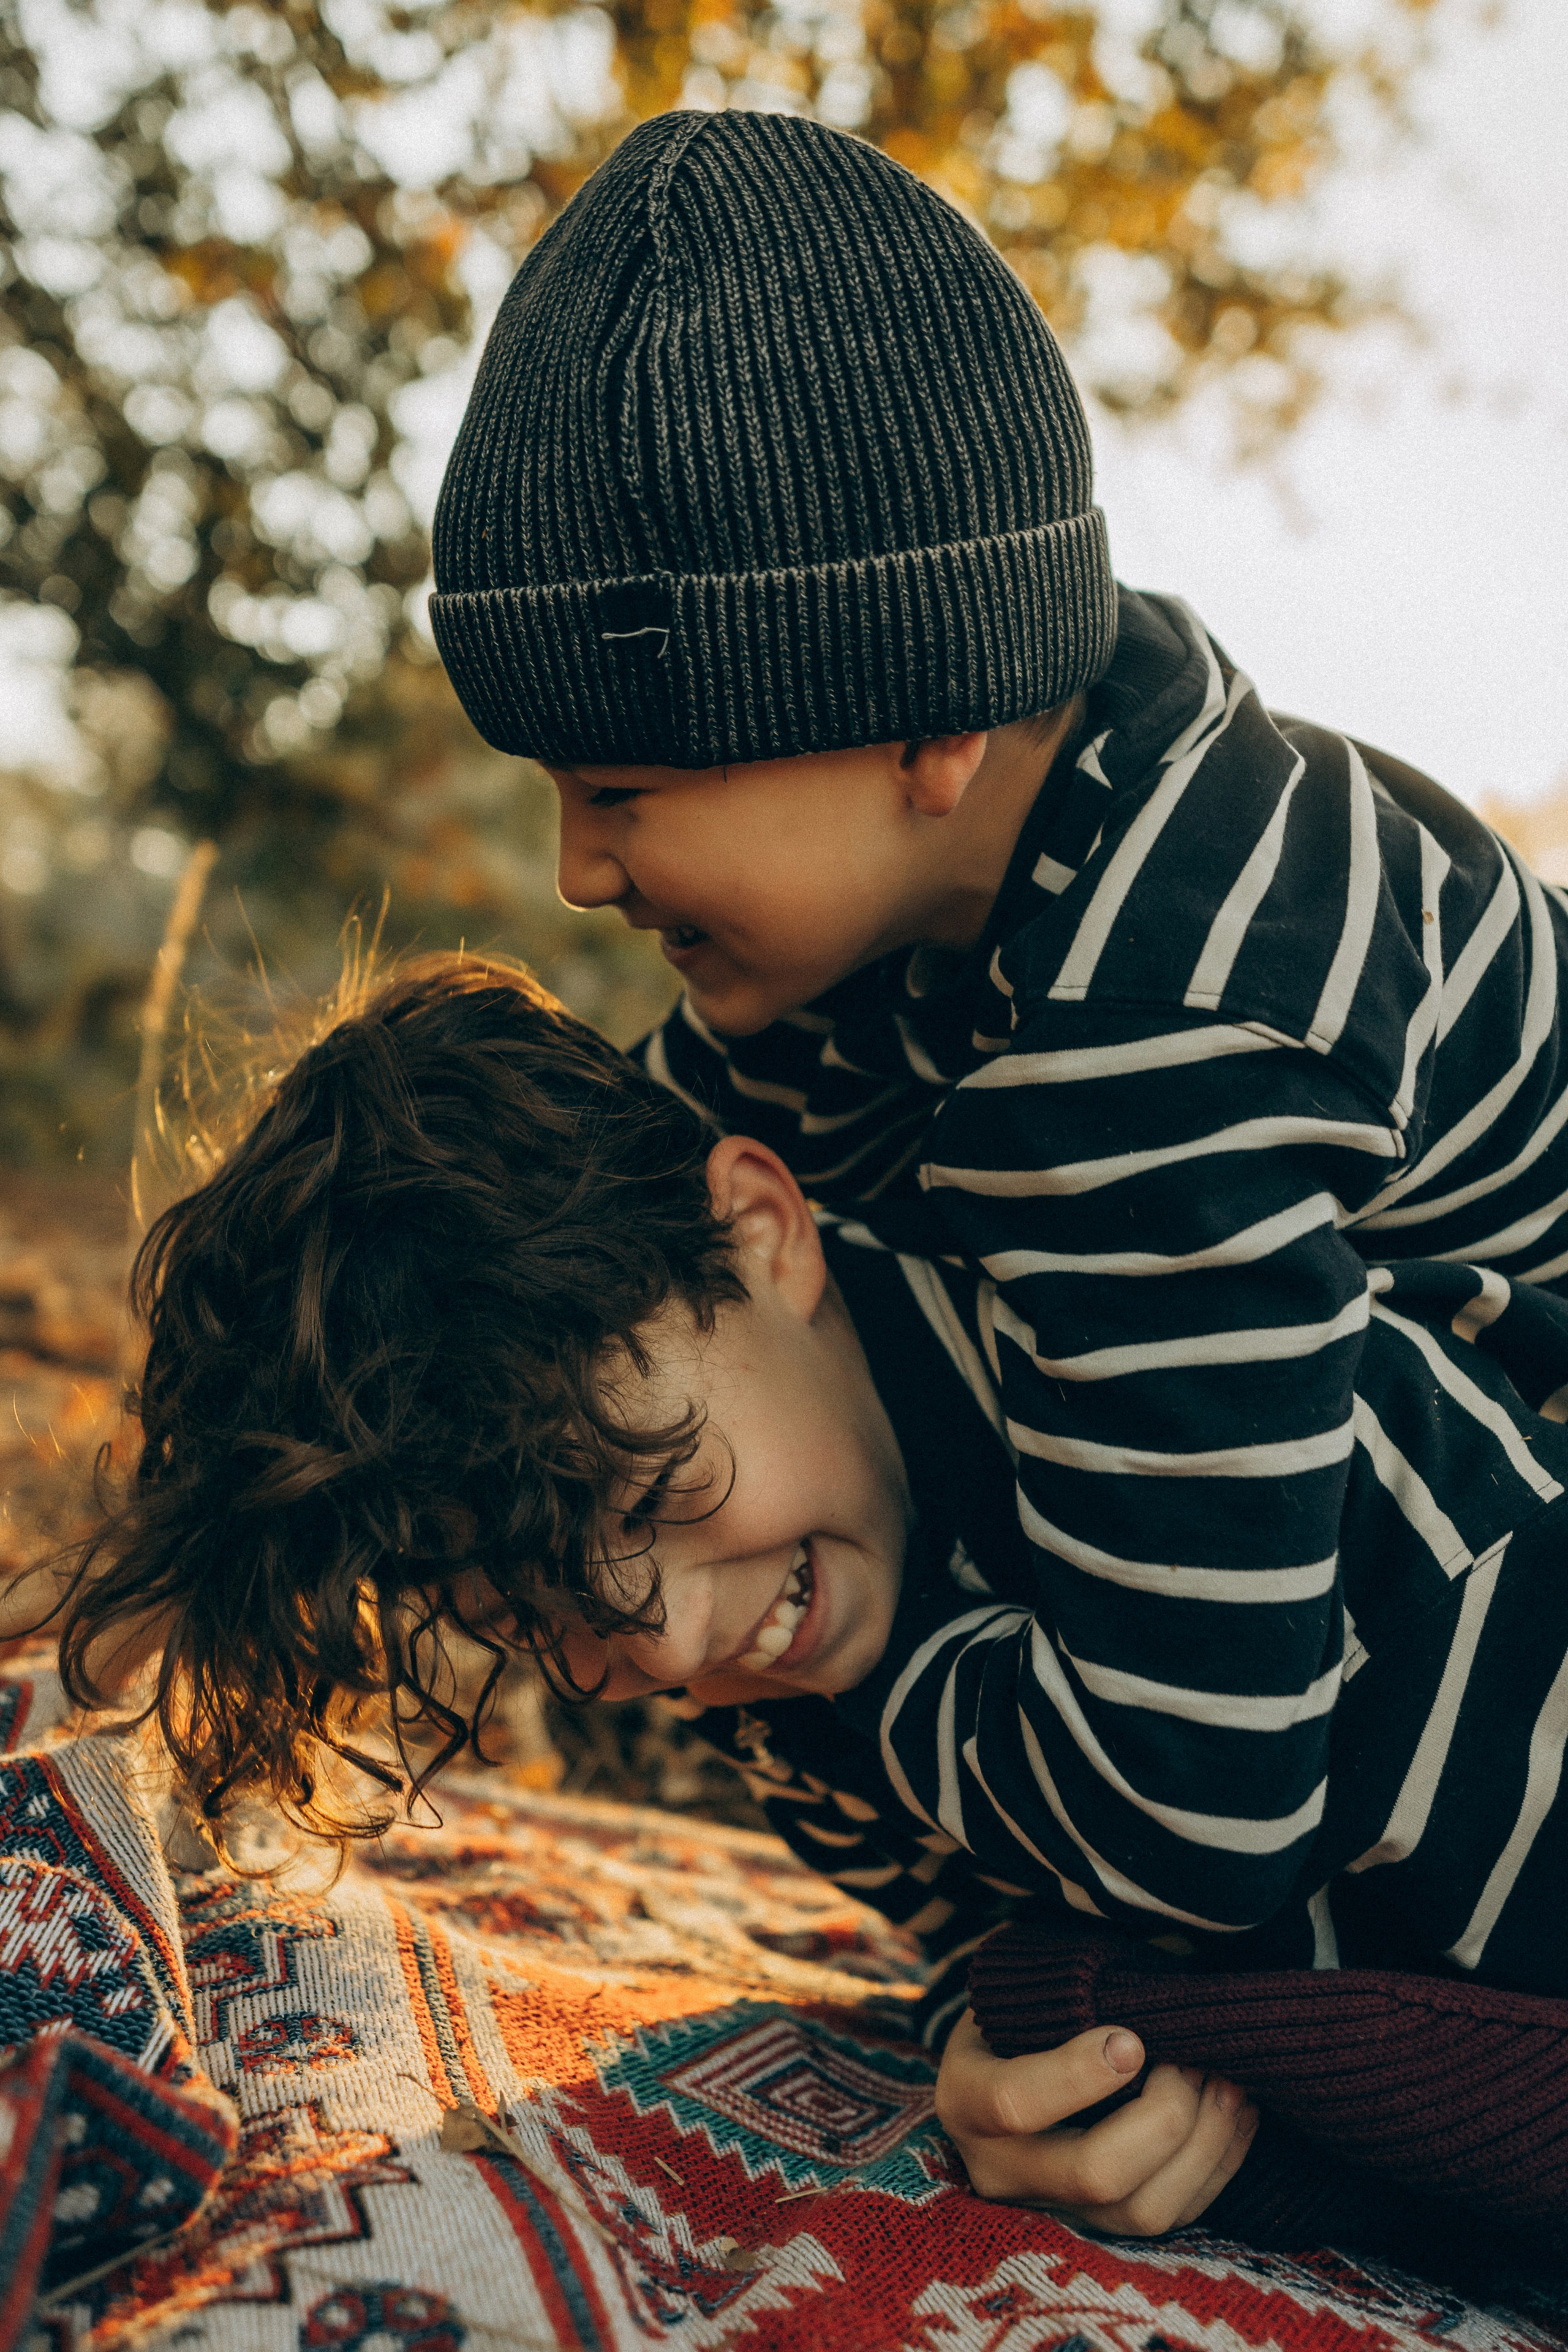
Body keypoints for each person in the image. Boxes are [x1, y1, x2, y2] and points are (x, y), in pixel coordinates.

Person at [426, 98, 1568, 2136]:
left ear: (926, 721)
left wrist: (868, 1708)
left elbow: (1191, 1803)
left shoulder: (1161, 1014)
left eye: (626, 789)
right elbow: (623, 1283)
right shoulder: (883, 954)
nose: (582, 875)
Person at [49, 957, 1568, 2279]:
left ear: (761, 1231)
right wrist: (1019, 2085)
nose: (657, 1649)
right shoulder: (798, 1694)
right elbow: (1102, 2000)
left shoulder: (1299, 1461)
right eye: (531, 1619)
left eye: (649, 1493)